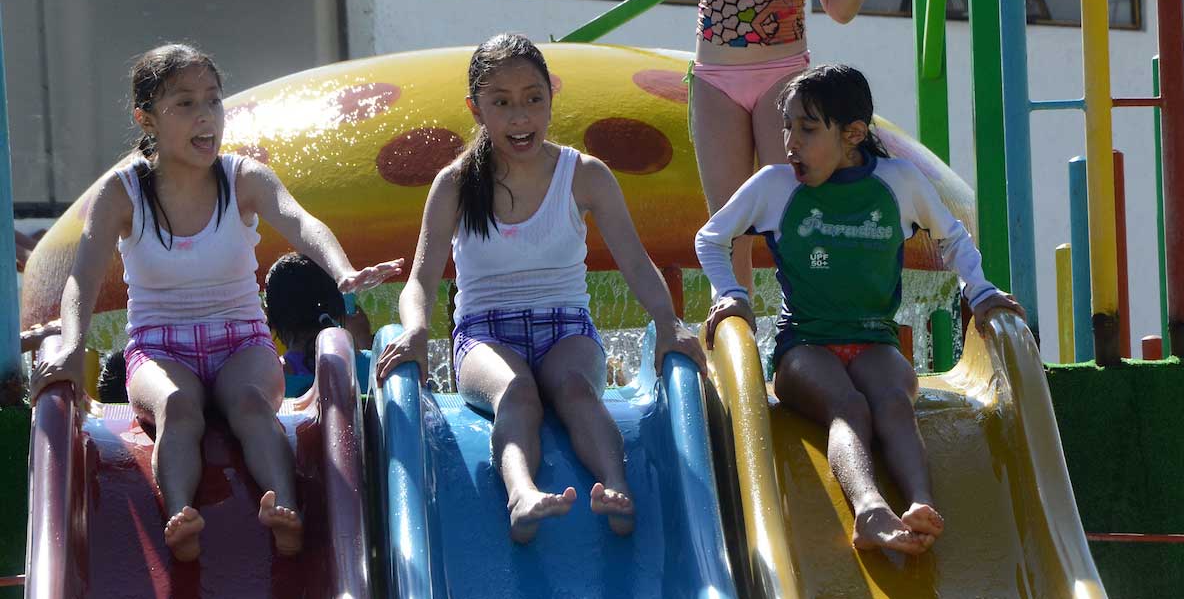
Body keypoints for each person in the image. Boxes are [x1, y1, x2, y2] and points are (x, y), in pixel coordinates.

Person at [27, 43, 404, 562]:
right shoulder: (124, 192)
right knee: (178, 408)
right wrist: (72, 345)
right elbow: (81, 279)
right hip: (159, 348)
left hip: (241, 340)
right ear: (147, 118)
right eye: (184, 103)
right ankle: (179, 517)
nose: (206, 115)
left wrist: (342, 272)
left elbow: (300, 222)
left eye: (213, 100)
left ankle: (285, 511)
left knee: (251, 404)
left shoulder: (241, 177)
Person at [375, 33, 707, 544]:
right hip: (485, 335)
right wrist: (417, 329)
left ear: (552, 94)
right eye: (501, 103)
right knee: (518, 392)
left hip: (566, 327)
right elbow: (420, 277)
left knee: (575, 390)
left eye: (533, 98)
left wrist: (668, 324)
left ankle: (616, 487)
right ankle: (521, 493)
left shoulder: (584, 175)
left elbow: (638, 265)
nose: (520, 117)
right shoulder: (458, 182)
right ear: (476, 108)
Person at [697, 64, 1024, 554]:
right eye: (787, 125)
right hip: (803, 346)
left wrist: (979, 292)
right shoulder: (775, 186)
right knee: (848, 407)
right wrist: (732, 295)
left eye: (807, 129)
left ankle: (919, 504)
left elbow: (952, 238)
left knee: (893, 402)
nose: (790, 142)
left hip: (874, 339)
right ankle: (869, 510)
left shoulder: (898, 182)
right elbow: (711, 238)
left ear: (852, 134)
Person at [644, 0, 866, 298]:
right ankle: (731, 321)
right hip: (716, 84)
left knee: (791, 210)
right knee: (729, 221)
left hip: (781, 83)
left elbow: (842, 9)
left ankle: (805, 317)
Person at [264, 252, 373, 378]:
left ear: (271, 317)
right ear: (336, 306)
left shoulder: (270, 379)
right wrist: (363, 339)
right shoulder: (370, 365)